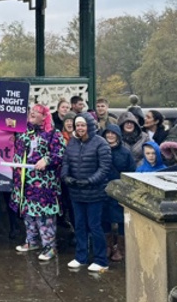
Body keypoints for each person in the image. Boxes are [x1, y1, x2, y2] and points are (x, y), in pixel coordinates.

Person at [11, 104, 64, 262]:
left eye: (37, 112)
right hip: (24, 181)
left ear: (44, 116)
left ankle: (50, 247)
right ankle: (32, 241)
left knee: (44, 216)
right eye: (32, 111)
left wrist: (46, 160)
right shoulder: (24, 131)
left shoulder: (53, 133)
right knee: (28, 213)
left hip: (44, 183)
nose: (32, 113)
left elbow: (60, 153)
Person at [62, 113, 112, 273]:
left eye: (83, 125)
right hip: (76, 192)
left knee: (94, 226)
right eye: (77, 125)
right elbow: (66, 162)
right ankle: (80, 256)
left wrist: (90, 181)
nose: (80, 128)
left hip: (94, 193)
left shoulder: (101, 143)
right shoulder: (72, 142)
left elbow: (104, 168)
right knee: (79, 225)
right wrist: (65, 176)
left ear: (89, 126)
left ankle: (101, 260)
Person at [102, 124, 135, 261]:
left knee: (121, 220)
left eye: (113, 133)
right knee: (104, 219)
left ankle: (121, 249)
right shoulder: (100, 150)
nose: (110, 136)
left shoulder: (125, 152)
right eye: (108, 133)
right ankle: (107, 246)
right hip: (103, 189)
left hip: (120, 190)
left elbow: (131, 171)